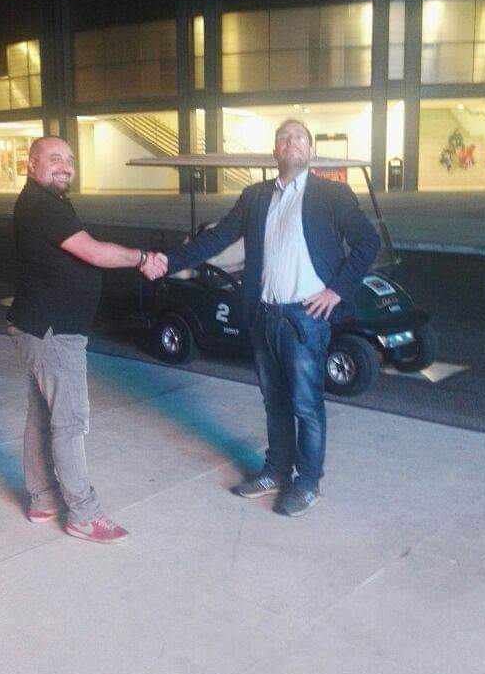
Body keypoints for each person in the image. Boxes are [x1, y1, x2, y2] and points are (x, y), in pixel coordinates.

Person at [145, 119, 380, 517]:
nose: (292, 143)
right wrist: (168, 261)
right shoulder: (254, 197)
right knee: (274, 402)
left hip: (305, 317)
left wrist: (337, 290)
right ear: (275, 152)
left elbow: (367, 242)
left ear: (311, 151)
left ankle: (307, 482)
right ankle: (275, 471)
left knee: (306, 405)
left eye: (300, 137)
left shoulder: (332, 195)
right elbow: (216, 239)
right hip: (264, 314)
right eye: (284, 138)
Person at [7, 136, 165, 543]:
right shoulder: (41, 204)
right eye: (54, 159)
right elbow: (93, 252)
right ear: (31, 165)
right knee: (70, 421)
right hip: (53, 330)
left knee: (43, 414)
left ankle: (42, 499)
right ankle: (83, 513)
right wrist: (142, 258)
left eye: (69, 160)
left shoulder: (49, 202)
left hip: (41, 324)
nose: (65, 166)